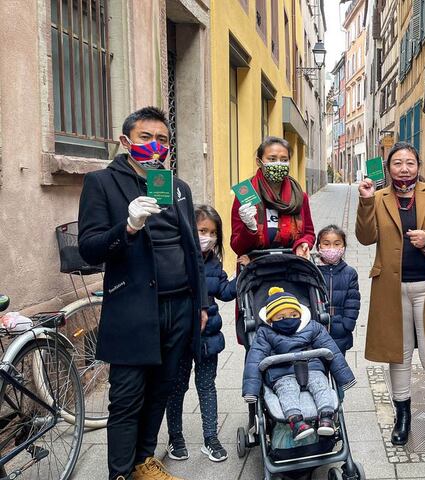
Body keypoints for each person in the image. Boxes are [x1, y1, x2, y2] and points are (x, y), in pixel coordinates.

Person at [78, 106, 207, 480]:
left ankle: (143, 461)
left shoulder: (177, 187)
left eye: (162, 140)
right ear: (125, 141)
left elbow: (192, 250)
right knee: (127, 397)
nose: (155, 146)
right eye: (145, 137)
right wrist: (128, 226)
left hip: (180, 305)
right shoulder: (101, 183)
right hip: (134, 307)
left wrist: (200, 302)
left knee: (162, 390)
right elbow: (89, 248)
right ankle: (119, 472)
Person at [355, 142, 425, 455]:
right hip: (391, 290)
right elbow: (365, 238)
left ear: (418, 165)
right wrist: (364, 204)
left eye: (410, 163)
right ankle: (402, 418)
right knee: (398, 355)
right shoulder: (377, 197)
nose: (404, 168)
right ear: (388, 169)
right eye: (397, 163)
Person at [165, 205, 236, 463]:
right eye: (201, 230)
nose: (207, 237)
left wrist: (243, 273)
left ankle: (210, 438)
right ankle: (176, 437)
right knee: (177, 387)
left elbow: (225, 292)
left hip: (208, 339)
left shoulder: (214, 263)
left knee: (207, 387)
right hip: (182, 335)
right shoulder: (175, 259)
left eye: (212, 232)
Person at [242, 287, 356, 439]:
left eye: (293, 315)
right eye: (281, 318)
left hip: (312, 368)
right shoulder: (265, 333)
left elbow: (332, 350)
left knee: (321, 385)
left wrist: (345, 378)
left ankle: (326, 418)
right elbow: (254, 359)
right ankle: (297, 423)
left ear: (300, 313)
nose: (288, 319)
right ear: (270, 320)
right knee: (287, 392)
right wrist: (251, 390)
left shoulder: (312, 327)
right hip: (283, 373)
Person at [230, 136, 315, 259]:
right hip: (256, 270)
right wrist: (249, 229)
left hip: (291, 269)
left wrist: (303, 243)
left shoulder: (299, 196)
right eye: (272, 159)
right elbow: (237, 247)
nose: (278, 164)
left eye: (284, 160)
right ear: (259, 162)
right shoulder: (246, 194)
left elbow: (309, 233)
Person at [315, 225, 360, 356]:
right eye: (326, 244)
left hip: (340, 330)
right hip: (317, 330)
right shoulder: (313, 271)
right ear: (319, 246)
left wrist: (346, 325)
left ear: (343, 247)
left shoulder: (349, 273)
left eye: (336, 244)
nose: (331, 248)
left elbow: (353, 303)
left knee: (339, 368)